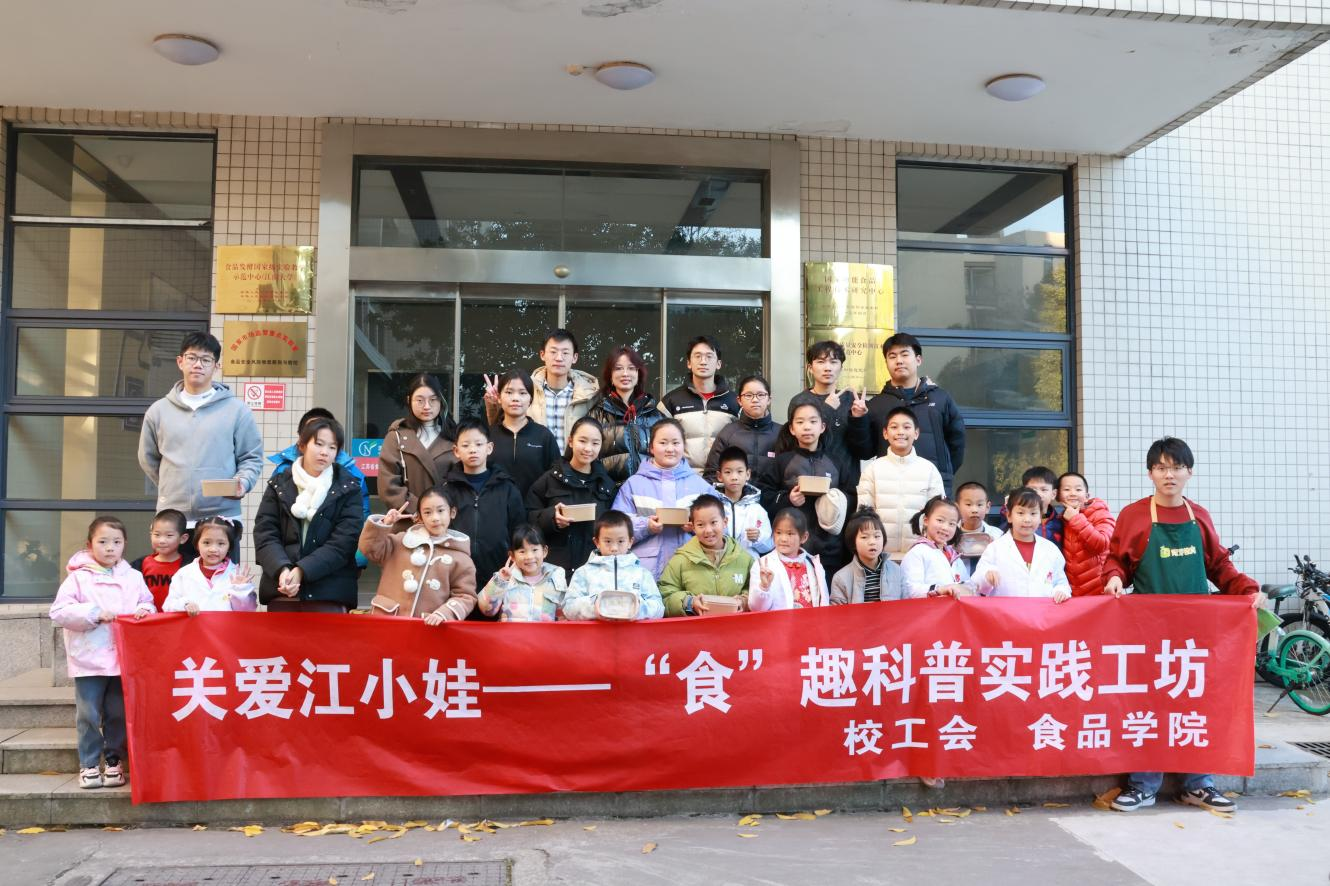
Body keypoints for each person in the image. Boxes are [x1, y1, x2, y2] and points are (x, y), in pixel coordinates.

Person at [1104, 437, 1264, 815]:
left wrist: (1248, 589)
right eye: (1161, 467)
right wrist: (1113, 578)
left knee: (1194, 703)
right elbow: (1117, 560)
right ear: (1150, 473)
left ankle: (1198, 784)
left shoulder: (1200, 517)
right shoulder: (1134, 516)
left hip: (1195, 633)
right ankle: (1143, 785)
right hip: (1147, 631)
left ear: (1189, 472)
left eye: (1176, 467)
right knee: (1148, 703)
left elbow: (1219, 566)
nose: (1169, 475)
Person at [49, 516, 154, 790]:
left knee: (117, 713)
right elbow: (59, 611)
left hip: (123, 658)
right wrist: (94, 613)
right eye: (103, 542)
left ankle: (113, 760)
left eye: (116, 542)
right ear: (90, 544)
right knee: (89, 714)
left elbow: (147, 602)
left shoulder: (133, 577)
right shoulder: (78, 577)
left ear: (125, 544)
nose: (110, 548)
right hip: (90, 658)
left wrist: (144, 611)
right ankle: (89, 763)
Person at [137, 332, 263, 548]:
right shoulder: (158, 411)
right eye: (192, 358)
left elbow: (251, 457)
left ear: (216, 366)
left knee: (221, 572)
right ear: (180, 361)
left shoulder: (237, 410)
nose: (198, 365)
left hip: (222, 519)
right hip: (173, 520)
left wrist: (242, 482)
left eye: (206, 360)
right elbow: (148, 458)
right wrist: (173, 483)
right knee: (173, 572)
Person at [253, 417, 364, 612]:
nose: (325, 452)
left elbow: (344, 543)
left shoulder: (349, 487)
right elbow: (265, 533)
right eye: (319, 444)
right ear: (302, 445)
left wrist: (302, 570)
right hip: (283, 589)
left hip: (330, 592)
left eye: (332, 447)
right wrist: (282, 570)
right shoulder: (279, 484)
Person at [358, 486, 477, 622]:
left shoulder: (461, 557)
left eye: (440, 510)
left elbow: (465, 596)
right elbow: (369, 549)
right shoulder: (399, 541)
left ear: (452, 512)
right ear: (419, 517)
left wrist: (443, 614)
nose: (435, 518)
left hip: (428, 627)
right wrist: (385, 523)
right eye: (427, 512)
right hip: (388, 622)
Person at [270, 407, 371, 567]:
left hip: (333, 564)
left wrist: (358, 559)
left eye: (331, 446)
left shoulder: (350, 477)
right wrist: (280, 566)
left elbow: (358, 520)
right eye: (317, 441)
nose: (324, 452)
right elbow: (268, 528)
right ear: (302, 441)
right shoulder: (282, 475)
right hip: (287, 564)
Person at [611, 419, 712, 578]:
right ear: (651, 447)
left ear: (684, 446)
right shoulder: (633, 484)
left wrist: (696, 526)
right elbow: (615, 528)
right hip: (644, 573)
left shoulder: (701, 486)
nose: (670, 449)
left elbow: (721, 527)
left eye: (676, 443)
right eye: (663, 443)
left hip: (691, 571)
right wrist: (646, 526)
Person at [867, 333, 965, 495]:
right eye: (892, 356)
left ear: (918, 360)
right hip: (891, 489)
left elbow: (957, 442)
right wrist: (857, 420)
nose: (899, 361)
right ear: (886, 363)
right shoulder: (877, 404)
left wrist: (943, 472)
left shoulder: (941, 398)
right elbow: (866, 450)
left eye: (905, 354)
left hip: (933, 487)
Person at [762, 402, 848, 575]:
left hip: (830, 548)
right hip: (791, 549)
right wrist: (788, 499)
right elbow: (764, 496)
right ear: (792, 429)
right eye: (800, 422)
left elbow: (851, 495)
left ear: (822, 427)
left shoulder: (836, 461)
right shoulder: (782, 461)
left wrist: (836, 499)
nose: (807, 427)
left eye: (813, 421)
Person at [787, 341, 873, 508]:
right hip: (808, 485)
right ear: (810, 367)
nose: (827, 368)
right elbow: (797, 444)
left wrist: (859, 419)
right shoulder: (799, 401)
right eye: (821, 362)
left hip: (845, 487)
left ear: (841, 367)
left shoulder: (852, 401)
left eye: (833, 362)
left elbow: (864, 451)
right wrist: (827, 410)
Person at [525, 417, 617, 573]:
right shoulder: (550, 479)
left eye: (595, 443)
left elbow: (614, 526)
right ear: (570, 441)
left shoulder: (606, 485)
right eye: (582, 441)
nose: (588, 448)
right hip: (556, 569)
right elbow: (528, 516)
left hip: (595, 570)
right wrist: (552, 518)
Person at [443, 420, 527, 589]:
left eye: (479, 444)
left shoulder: (507, 488)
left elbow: (519, 529)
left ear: (489, 448)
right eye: (466, 445)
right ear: (456, 451)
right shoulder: (446, 489)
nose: (473, 449)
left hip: (500, 572)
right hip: (456, 573)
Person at [484, 329, 599, 446]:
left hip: (573, 458)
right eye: (553, 352)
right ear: (542, 355)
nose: (559, 358)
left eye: (565, 353)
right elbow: (501, 429)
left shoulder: (589, 394)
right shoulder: (526, 390)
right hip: (534, 457)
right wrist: (495, 404)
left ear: (574, 357)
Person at [856, 406, 945, 558]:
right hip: (881, 555)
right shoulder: (872, 469)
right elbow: (864, 515)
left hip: (920, 555)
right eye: (894, 427)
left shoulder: (929, 470)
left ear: (916, 433)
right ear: (885, 433)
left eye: (907, 427)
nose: (900, 432)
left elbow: (939, 515)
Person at [379, 373, 459, 520]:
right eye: (420, 400)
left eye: (433, 400)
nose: (427, 406)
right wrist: (421, 510)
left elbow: (463, 483)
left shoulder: (455, 437)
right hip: (408, 520)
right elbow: (388, 486)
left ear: (441, 401)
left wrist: (441, 510)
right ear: (409, 401)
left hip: (444, 521)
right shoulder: (396, 436)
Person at [658, 494, 754, 617]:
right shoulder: (681, 560)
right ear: (693, 527)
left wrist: (744, 601)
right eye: (700, 525)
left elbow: (756, 589)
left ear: (725, 522)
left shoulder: (744, 558)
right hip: (696, 627)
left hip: (735, 626)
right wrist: (689, 602)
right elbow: (665, 595)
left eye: (713, 522)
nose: (708, 530)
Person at [562, 511, 664, 621]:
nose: (614, 548)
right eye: (608, 541)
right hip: (595, 632)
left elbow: (658, 608)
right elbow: (568, 608)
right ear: (597, 542)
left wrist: (637, 607)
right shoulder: (583, 573)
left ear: (630, 542)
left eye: (620, 541)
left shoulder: (642, 573)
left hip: (633, 632)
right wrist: (595, 605)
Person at [973, 488, 1072, 601]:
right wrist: (986, 577)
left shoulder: (1051, 549)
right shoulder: (995, 548)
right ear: (1009, 516)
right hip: (1005, 611)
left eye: (1033, 513)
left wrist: (1061, 591)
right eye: (1020, 513)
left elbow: (1060, 582)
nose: (1027, 519)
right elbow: (976, 583)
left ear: (1040, 517)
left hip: (1041, 611)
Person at [659, 335, 740, 473]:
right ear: (689, 363)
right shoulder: (670, 402)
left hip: (722, 479)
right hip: (682, 477)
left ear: (719, 364)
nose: (703, 361)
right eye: (698, 356)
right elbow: (658, 442)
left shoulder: (734, 402)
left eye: (709, 356)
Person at [586, 346, 663, 483]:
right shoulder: (596, 415)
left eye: (631, 368)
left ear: (638, 374)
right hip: (609, 492)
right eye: (618, 368)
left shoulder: (654, 415)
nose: (625, 373)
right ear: (610, 375)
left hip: (648, 491)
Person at [487, 368, 560, 499]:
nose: (515, 398)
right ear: (499, 398)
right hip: (495, 508)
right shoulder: (487, 436)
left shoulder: (544, 436)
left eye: (522, 393)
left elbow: (556, 479)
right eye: (509, 392)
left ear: (530, 399)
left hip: (535, 509)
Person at [161, 516, 258, 614]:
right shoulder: (184, 573)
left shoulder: (238, 576)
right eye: (206, 542)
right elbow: (168, 606)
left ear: (229, 546)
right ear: (197, 544)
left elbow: (247, 611)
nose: (213, 549)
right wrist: (185, 604)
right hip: (193, 624)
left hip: (227, 624)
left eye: (221, 543)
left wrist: (240, 591)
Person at [477, 525, 568, 622]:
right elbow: (486, 610)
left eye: (534, 550)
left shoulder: (555, 576)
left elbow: (563, 616)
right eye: (522, 551)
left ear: (544, 551)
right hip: (510, 632)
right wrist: (501, 580)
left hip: (544, 632)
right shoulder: (505, 578)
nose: (529, 556)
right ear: (512, 556)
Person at [703, 374, 781, 486]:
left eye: (761, 395)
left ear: (769, 399)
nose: (755, 400)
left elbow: (790, 475)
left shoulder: (781, 434)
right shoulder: (728, 433)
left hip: (772, 496)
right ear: (739, 400)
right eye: (748, 395)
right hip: (735, 496)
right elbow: (711, 475)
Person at [748, 508, 830, 611]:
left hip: (811, 621)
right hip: (779, 621)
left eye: (790, 534)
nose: (783, 539)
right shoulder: (763, 565)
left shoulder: (814, 564)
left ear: (804, 537)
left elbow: (824, 601)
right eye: (778, 532)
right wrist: (764, 587)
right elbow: (756, 608)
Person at [900, 497, 973, 598]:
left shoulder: (955, 557)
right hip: (930, 608)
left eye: (952, 524)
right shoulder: (916, 553)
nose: (945, 527)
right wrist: (939, 590)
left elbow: (968, 586)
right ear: (926, 520)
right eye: (940, 520)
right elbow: (909, 590)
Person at [1058, 471, 1117, 598]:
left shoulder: (1100, 513)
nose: (1073, 493)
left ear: (1086, 496)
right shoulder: (1060, 520)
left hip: (1099, 591)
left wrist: (1076, 519)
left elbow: (1102, 543)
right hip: (1071, 594)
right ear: (1057, 496)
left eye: (1078, 489)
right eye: (1067, 489)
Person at [831, 509, 906, 604]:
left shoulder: (897, 571)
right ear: (853, 542)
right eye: (864, 537)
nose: (872, 542)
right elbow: (837, 611)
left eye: (877, 536)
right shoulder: (841, 578)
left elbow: (905, 604)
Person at [712, 446, 773, 558]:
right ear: (719, 476)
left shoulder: (757, 510)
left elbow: (769, 545)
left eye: (739, 471)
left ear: (748, 474)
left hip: (749, 566)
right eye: (728, 472)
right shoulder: (712, 506)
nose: (734, 477)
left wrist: (758, 537)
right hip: (718, 564)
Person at [130, 508, 192, 611]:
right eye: (157, 535)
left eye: (169, 535)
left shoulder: (190, 566)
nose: (162, 540)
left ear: (183, 538)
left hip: (178, 618)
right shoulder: (139, 565)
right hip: (148, 617)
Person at [1021, 465, 1064, 549]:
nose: (1038, 494)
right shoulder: (1015, 520)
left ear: (1053, 494)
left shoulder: (1061, 522)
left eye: (1044, 490)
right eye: (1032, 490)